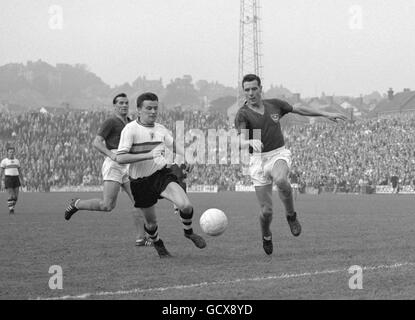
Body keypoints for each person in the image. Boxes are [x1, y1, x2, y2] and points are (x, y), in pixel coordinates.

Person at [234, 74, 348, 255]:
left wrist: (325, 114)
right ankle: (266, 235)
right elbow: (239, 140)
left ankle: (291, 215)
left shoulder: (275, 105)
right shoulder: (243, 114)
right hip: (257, 161)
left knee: (281, 180)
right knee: (266, 212)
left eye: (254, 88)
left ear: (261, 89)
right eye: (247, 90)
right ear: (244, 92)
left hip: (277, 154)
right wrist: (248, 142)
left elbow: (299, 109)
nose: (251, 93)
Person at [116, 92, 206, 258]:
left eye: (155, 108)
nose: (153, 112)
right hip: (139, 183)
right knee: (151, 223)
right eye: (148, 108)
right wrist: (149, 155)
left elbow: (174, 146)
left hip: (160, 174)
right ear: (139, 110)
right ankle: (157, 242)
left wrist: (186, 155)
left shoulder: (160, 129)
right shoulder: (130, 130)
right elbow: (120, 158)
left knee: (185, 205)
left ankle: (189, 232)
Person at [64, 93, 151, 247]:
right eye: (120, 103)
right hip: (115, 164)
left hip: (128, 165)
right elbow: (96, 142)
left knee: (140, 202)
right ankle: (77, 203)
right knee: (107, 205)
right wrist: (112, 154)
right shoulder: (111, 122)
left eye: (126, 103)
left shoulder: (130, 123)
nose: (124, 105)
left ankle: (141, 238)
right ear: (114, 106)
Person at [1, 146, 23, 214]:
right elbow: (1, 171)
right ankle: (11, 210)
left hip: (16, 178)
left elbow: (20, 171)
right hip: (8, 178)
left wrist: (22, 179)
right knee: (11, 195)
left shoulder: (17, 161)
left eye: (13, 152)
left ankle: (11, 206)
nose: (11, 153)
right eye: (10, 152)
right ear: (7, 153)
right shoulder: (4, 161)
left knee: (16, 197)